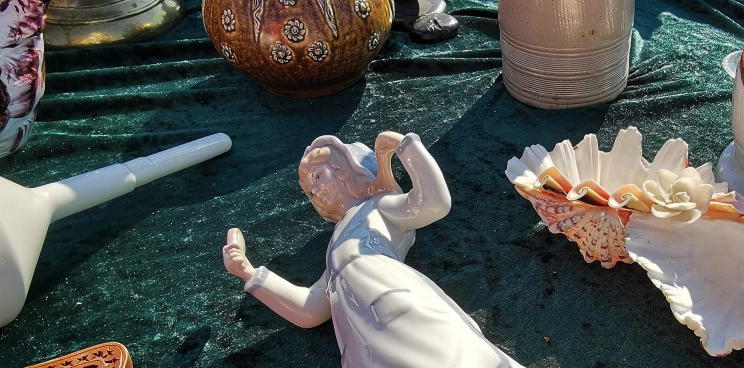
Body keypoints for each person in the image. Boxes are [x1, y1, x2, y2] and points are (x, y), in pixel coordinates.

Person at [222, 132, 521, 368]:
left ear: (346, 170)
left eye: (318, 176)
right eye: (310, 191)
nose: (315, 191)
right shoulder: (335, 251)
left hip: (394, 300)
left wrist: (405, 145)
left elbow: (434, 203)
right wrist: (250, 273)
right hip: (362, 335)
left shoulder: (376, 208)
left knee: (442, 352)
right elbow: (310, 309)